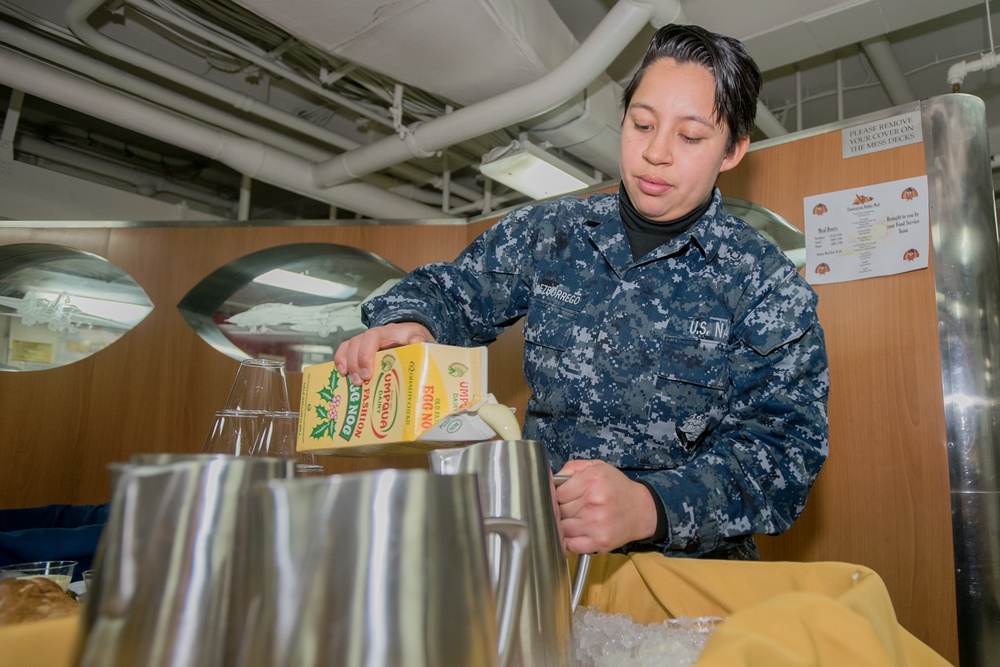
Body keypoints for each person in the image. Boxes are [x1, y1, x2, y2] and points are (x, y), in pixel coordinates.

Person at [334, 23, 829, 560]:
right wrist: (413, 321)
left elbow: (785, 455)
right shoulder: (553, 234)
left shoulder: (764, 282)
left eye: (689, 137)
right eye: (642, 125)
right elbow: (452, 291)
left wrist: (648, 506)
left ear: (732, 151)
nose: (656, 153)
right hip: (543, 558)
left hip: (688, 582)